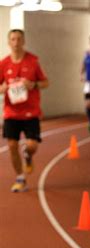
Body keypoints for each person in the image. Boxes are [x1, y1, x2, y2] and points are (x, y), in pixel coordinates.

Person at [0, 29, 49, 193]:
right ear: (9, 42)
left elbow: (45, 83)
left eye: (19, 39)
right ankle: (20, 178)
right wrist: (3, 88)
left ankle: (28, 155)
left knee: (32, 145)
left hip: (30, 112)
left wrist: (33, 84)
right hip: (11, 112)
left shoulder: (33, 61)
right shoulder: (3, 64)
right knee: (12, 145)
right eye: (13, 39)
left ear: (24, 41)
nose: (16, 42)